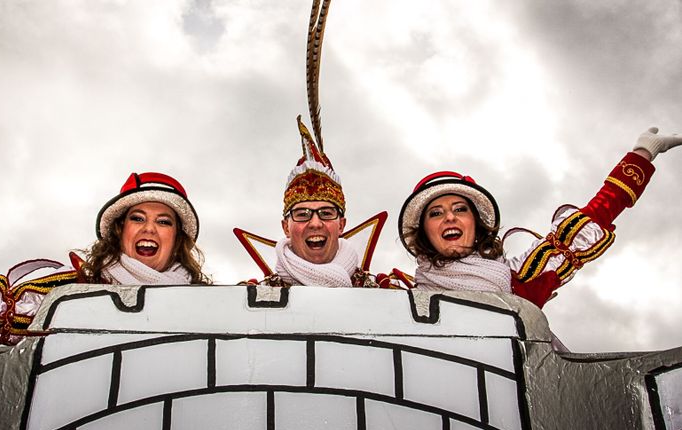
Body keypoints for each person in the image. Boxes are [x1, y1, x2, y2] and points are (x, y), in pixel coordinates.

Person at [0, 172, 209, 345]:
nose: (149, 228)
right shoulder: (73, 290)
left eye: (164, 221)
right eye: (137, 218)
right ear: (121, 231)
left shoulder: (209, 305)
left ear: (177, 239)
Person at [397, 127, 682, 307]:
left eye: (460, 209)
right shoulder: (398, 297)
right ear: (424, 232)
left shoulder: (521, 279)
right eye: (436, 213)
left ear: (477, 225)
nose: (450, 217)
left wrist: (642, 153)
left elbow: (593, 218)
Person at [270, 117, 377, 288]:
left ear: (341, 225)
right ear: (285, 228)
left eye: (326, 213)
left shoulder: (383, 292)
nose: (315, 223)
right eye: (302, 214)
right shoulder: (252, 297)